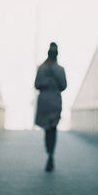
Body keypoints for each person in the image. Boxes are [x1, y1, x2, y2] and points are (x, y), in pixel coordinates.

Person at [34, 42, 67, 172]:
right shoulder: (60, 69)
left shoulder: (41, 68)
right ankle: (51, 154)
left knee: (47, 130)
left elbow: (36, 85)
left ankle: (49, 153)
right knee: (53, 129)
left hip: (44, 103)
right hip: (55, 103)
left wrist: (45, 82)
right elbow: (64, 86)